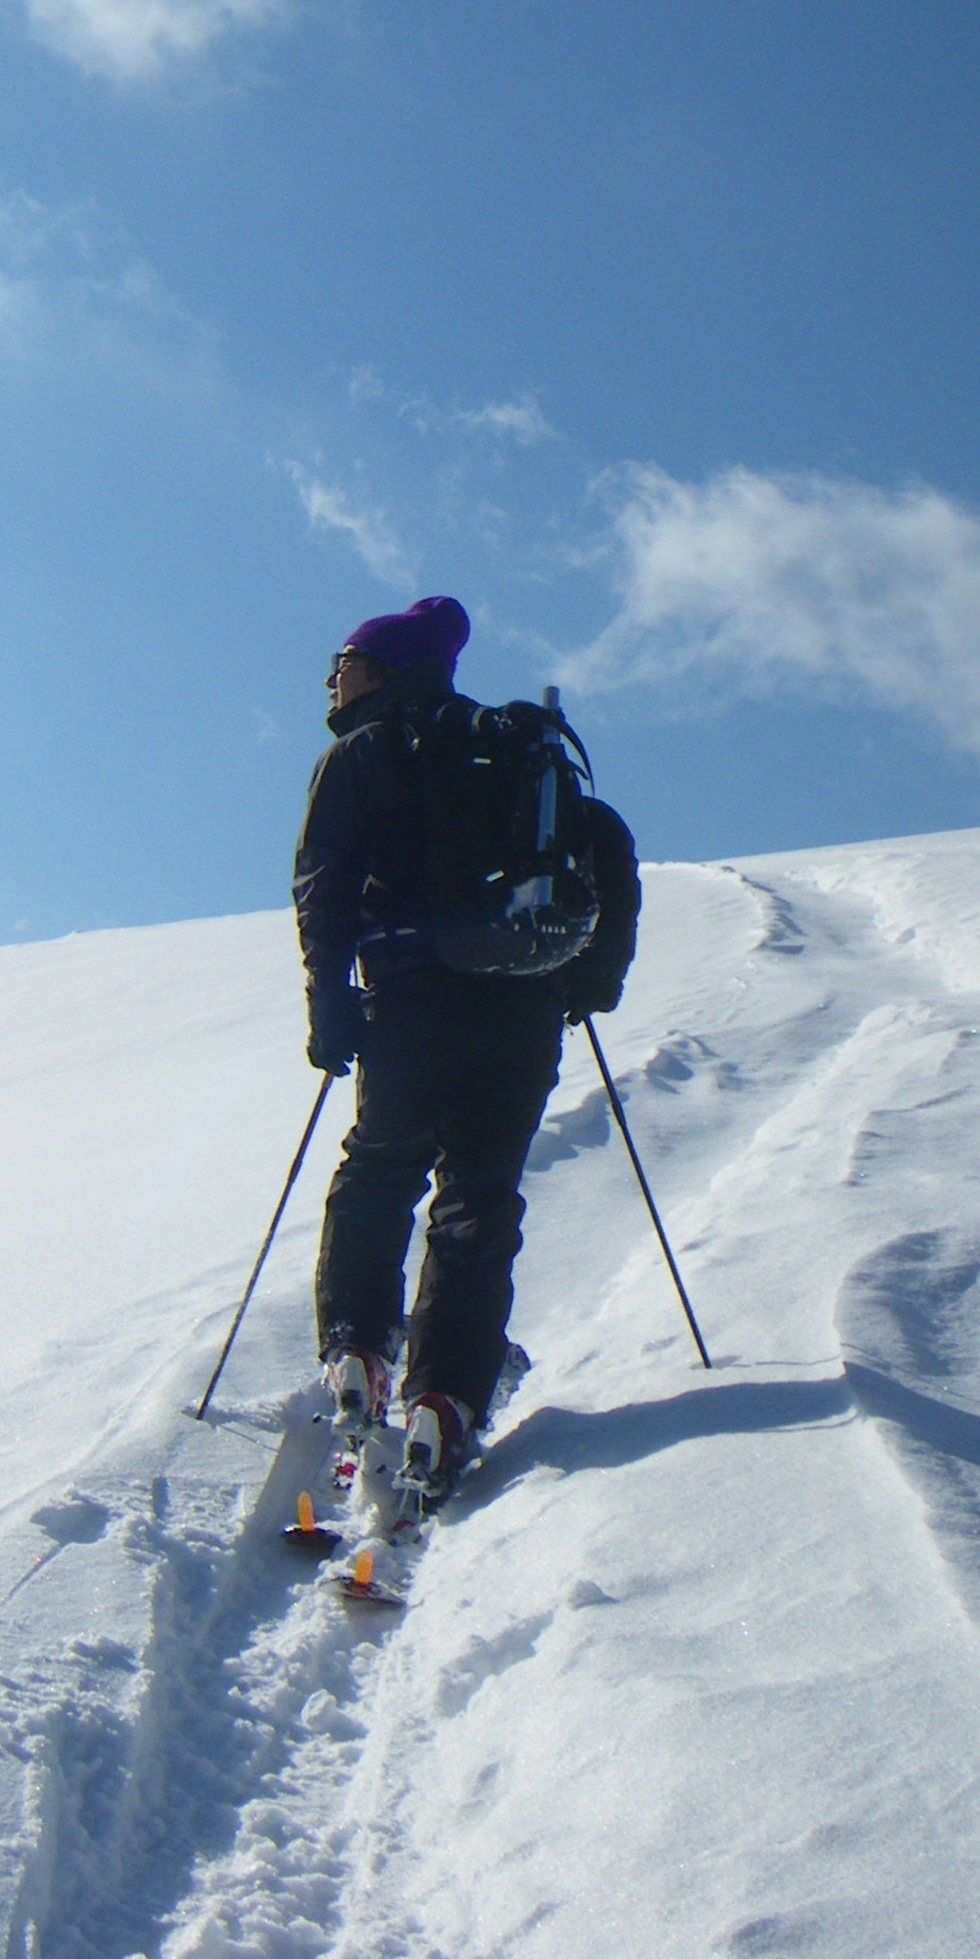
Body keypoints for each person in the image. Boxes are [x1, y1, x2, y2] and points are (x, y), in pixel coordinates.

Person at [292, 595, 638, 1501]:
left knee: (379, 1168)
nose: (334, 675)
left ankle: (358, 1350)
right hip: (521, 1015)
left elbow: (322, 889)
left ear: (390, 667)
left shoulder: (366, 754)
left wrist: (330, 1003)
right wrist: (586, 984)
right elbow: (603, 842)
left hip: (410, 1002)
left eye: (347, 658)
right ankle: (445, 1397)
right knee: (479, 1197)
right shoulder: (519, 746)